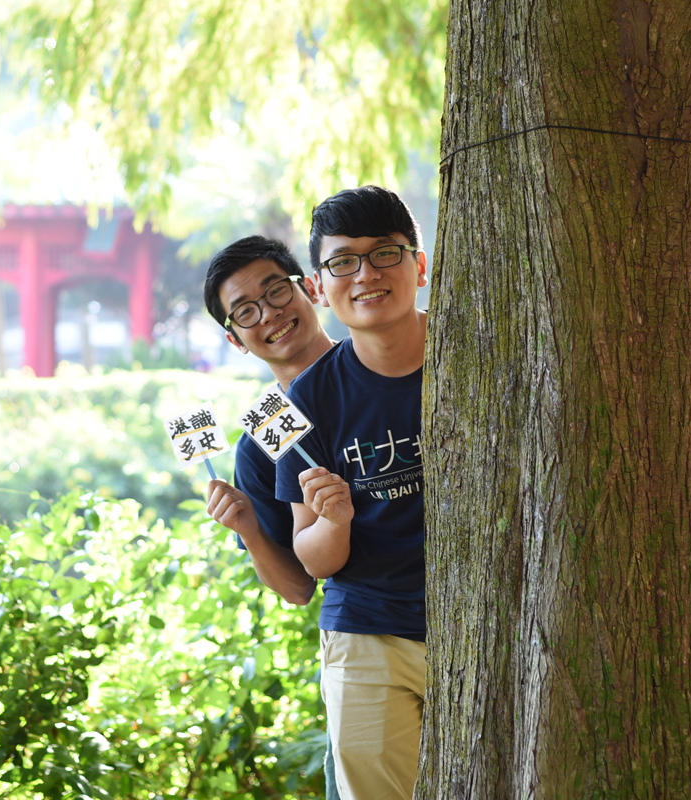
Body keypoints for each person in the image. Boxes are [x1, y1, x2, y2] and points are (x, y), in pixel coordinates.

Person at [274, 186, 429, 800]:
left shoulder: (477, 356)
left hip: (490, 618)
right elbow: (311, 557)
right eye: (343, 262)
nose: (365, 275)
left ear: (419, 265)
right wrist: (333, 522)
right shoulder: (304, 402)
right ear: (320, 284)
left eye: (385, 254)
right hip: (369, 630)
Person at [198, 235, 340, 797]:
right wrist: (250, 530)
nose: (271, 316)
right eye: (246, 312)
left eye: (276, 291)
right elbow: (299, 589)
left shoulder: (387, 367)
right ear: (236, 340)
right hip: (366, 633)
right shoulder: (261, 443)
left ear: (308, 288)